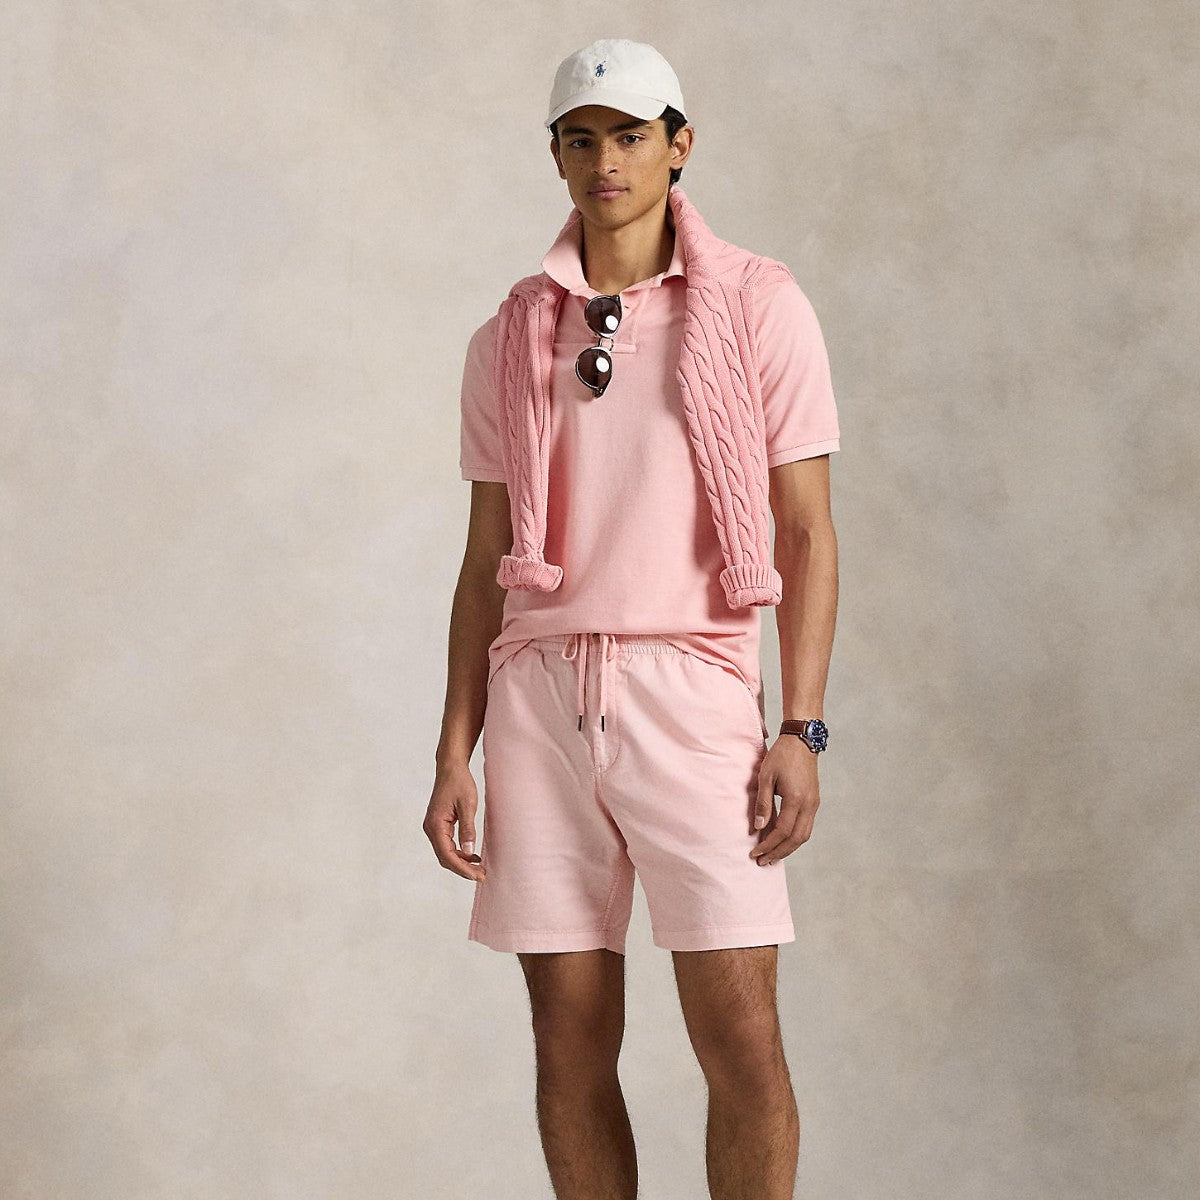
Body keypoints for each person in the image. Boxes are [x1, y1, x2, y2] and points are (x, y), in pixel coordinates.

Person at [426, 36, 840, 1200]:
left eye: (629, 135)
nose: (605, 160)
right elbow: (485, 563)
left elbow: (806, 531)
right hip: (540, 705)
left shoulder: (758, 307)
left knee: (741, 1040)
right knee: (566, 1047)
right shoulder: (512, 335)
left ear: (678, 144)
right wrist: (454, 750)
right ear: (557, 156)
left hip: (693, 693)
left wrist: (800, 728)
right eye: (581, 138)